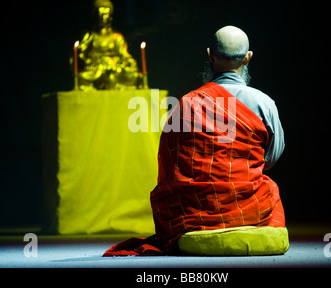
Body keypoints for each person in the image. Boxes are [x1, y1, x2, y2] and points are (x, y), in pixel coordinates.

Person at [103, 25, 288, 256]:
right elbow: (270, 159)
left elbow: (172, 165)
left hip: (194, 212)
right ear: (248, 58)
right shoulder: (264, 104)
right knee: (269, 187)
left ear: (210, 55)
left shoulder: (188, 103)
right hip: (249, 208)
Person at [73, 0, 142, 90]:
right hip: (97, 69)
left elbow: (124, 55)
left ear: (111, 16)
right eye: (100, 14)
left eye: (106, 14)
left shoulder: (117, 37)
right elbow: (80, 54)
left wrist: (129, 62)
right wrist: (89, 62)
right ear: (95, 16)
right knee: (82, 77)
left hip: (115, 68)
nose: (103, 18)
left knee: (133, 75)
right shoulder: (90, 36)